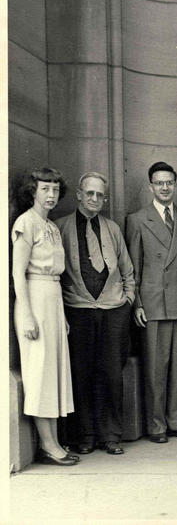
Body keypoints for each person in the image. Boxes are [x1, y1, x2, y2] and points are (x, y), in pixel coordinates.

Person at [125, 162, 177, 443]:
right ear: (150, 186)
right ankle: (157, 426)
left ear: (175, 184)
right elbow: (133, 267)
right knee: (155, 370)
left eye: (169, 182)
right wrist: (137, 304)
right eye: (159, 183)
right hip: (154, 304)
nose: (165, 187)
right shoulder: (137, 219)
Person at [56, 172, 135, 455]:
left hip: (114, 311)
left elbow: (127, 269)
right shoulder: (60, 227)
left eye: (100, 195)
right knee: (82, 374)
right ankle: (85, 436)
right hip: (79, 311)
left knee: (112, 374)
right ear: (78, 194)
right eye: (89, 193)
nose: (94, 199)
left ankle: (111, 435)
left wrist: (127, 301)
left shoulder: (112, 228)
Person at [11, 167, 77, 465]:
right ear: (32, 191)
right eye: (44, 189)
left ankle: (53, 441)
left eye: (54, 189)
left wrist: (60, 313)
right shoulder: (27, 223)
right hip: (34, 300)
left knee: (52, 372)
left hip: (52, 300)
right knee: (39, 373)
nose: (51, 195)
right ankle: (48, 445)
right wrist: (25, 314)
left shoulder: (48, 225)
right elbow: (17, 273)